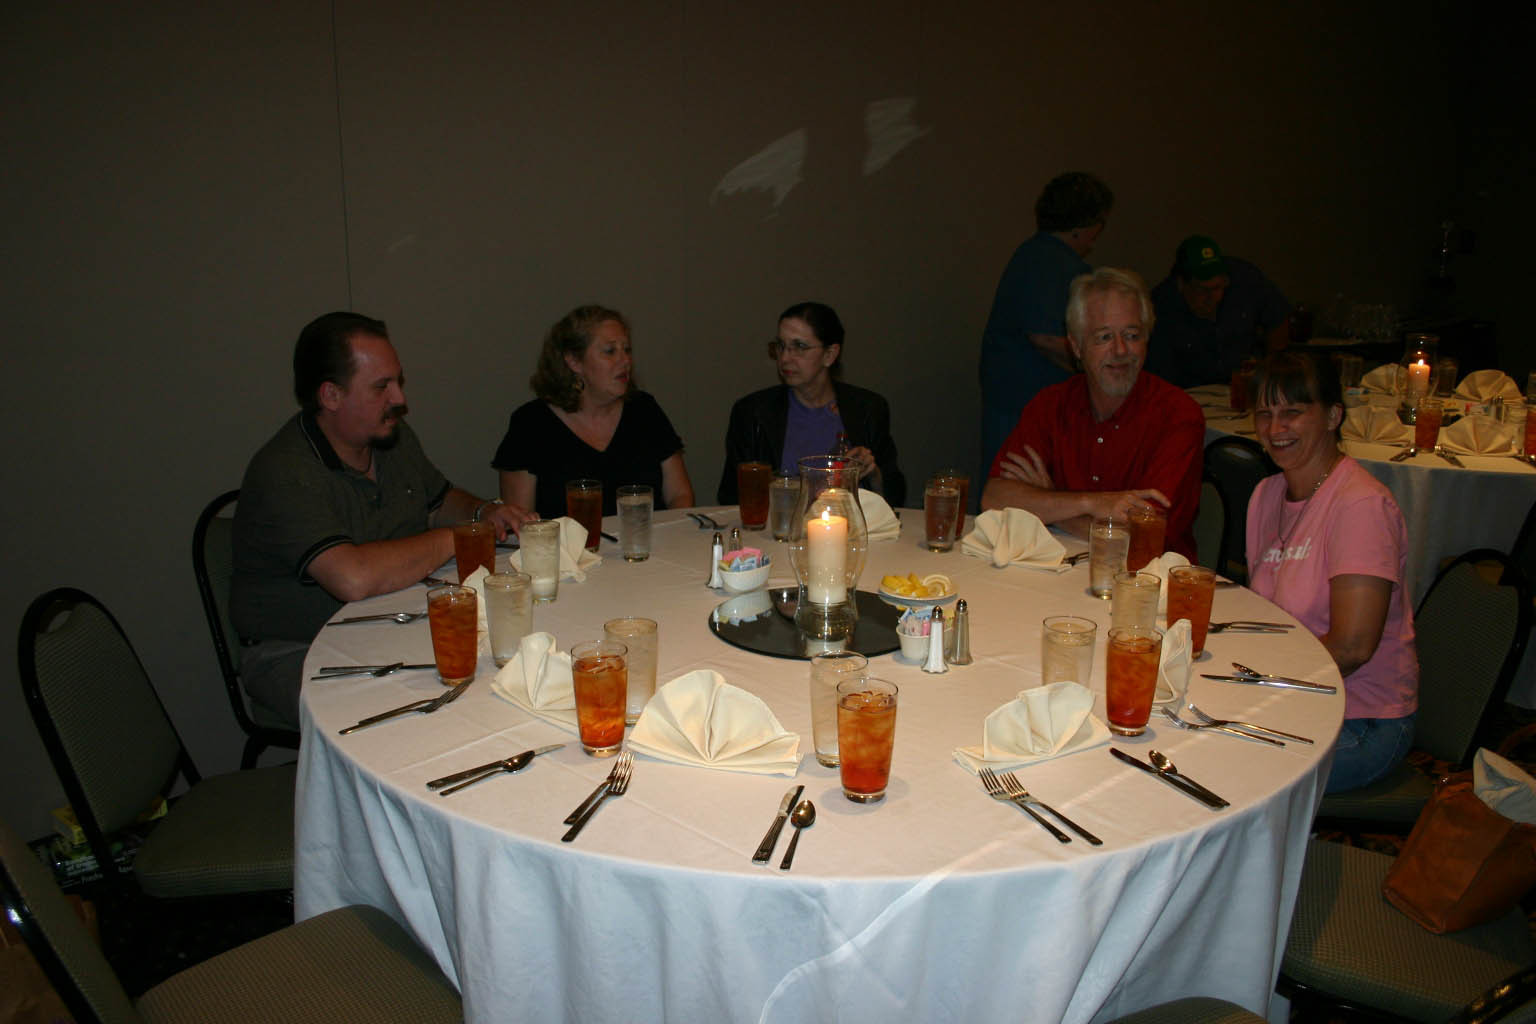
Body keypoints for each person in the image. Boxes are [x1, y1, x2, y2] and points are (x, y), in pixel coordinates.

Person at [232, 311, 531, 730]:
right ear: (331, 395)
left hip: (392, 623)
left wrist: (483, 511)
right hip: (297, 650)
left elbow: (438, 501)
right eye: (381, 387)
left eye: (398, 381)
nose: (399, 398)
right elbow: (352, 578)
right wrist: (459, 536)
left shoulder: (391, 437)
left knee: (495, 675)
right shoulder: (285, 471)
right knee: (413, 722)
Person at [1245, 352, 1417, 793]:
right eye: (1264, 413)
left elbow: (1353, 647)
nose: (1275, 428)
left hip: (1362, 719)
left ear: (1333, 416)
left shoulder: (1361, 506)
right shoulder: (1266, 495)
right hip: (1295, 697)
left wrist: (1264, 692)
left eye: (1292, 412)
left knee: (1232, 766)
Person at [980, 267, 1205, 559]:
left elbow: (1140, 539)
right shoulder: (1050, 405)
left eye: (1132, 335)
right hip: (1056, 572)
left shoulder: (1178, 416)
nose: (1120, 350)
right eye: (1104, 337)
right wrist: (1092, 503)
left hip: (1148, 578)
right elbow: (994, 498)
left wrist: (1051, 505)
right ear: (1076, 346)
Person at [495, 305, 694, 518]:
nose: (625, 361)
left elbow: (679, 494)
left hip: (648, 538)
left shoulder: (644, 409)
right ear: (574, 361)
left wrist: (675, 530)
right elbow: (521, 522)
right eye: (610, 351)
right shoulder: (531, 424)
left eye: (627, 350)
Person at [978, 171, 1114, 479]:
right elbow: (1046, 338)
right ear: (1084, 225)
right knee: (1020, 482)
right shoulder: (1052, 263)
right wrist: (1099, 370)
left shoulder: (1034, 253)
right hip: (1026, 404)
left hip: (1018, 400)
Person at [717, 301, 903, 506]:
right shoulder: (753, 413)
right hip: (777, 525)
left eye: (799, 347)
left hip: (849, 524)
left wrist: (874, 474)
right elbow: (730, 498)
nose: (785, 358)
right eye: (780, 346)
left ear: (830, 355)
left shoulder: (867, 409)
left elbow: (896, 498)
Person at [1146, 234, 1292, 388]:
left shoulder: (1244, 278)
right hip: (1190, 392)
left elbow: (1278, 318)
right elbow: (1158, 380)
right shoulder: (1160, 308)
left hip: (1243, 386)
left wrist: (1271, 376)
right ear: (1181, 283)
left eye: (1217, 287)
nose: (1212, 297)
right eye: (1203, 290)